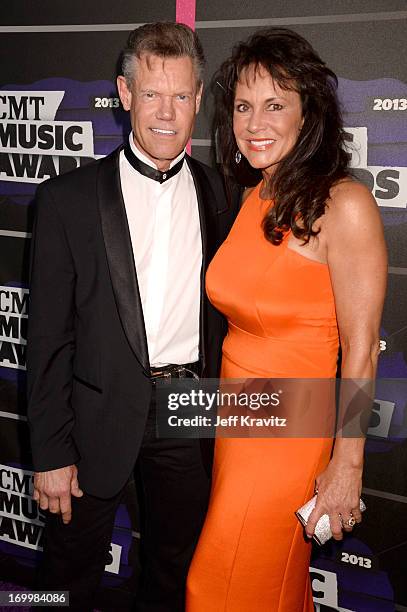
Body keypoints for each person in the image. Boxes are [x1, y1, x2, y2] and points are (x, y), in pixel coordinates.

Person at [27, 22, 236, 612]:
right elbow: (46, 339)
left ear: (198, 100)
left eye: (180, 95)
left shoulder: (226, 197)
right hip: (92, 417)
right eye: (151, 94)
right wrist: (49, 454)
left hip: (191, 409)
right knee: (63, 576)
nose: (166, 112)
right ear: (124, 93)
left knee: (175, 572)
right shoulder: (67, 200)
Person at [186, 28, 387, 611]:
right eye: (244, 107)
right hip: (237, 417)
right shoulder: (257, 192)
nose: (255, 123)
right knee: (269, 585)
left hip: (291, 428)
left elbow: (362, 350)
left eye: (275, 105)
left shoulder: (343, 205)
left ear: (309, 112)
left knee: (220, 588)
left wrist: (347, 465)